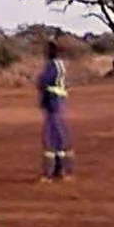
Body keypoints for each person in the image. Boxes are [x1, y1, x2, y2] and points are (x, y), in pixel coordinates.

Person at [37, 46, 73, 181]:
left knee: (51, 137)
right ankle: (62, 169)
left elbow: (42, 81)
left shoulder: (52, 66)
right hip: (58, 102)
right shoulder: (60, 65)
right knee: (59, 136)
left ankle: (49, 172)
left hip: (52, 102)